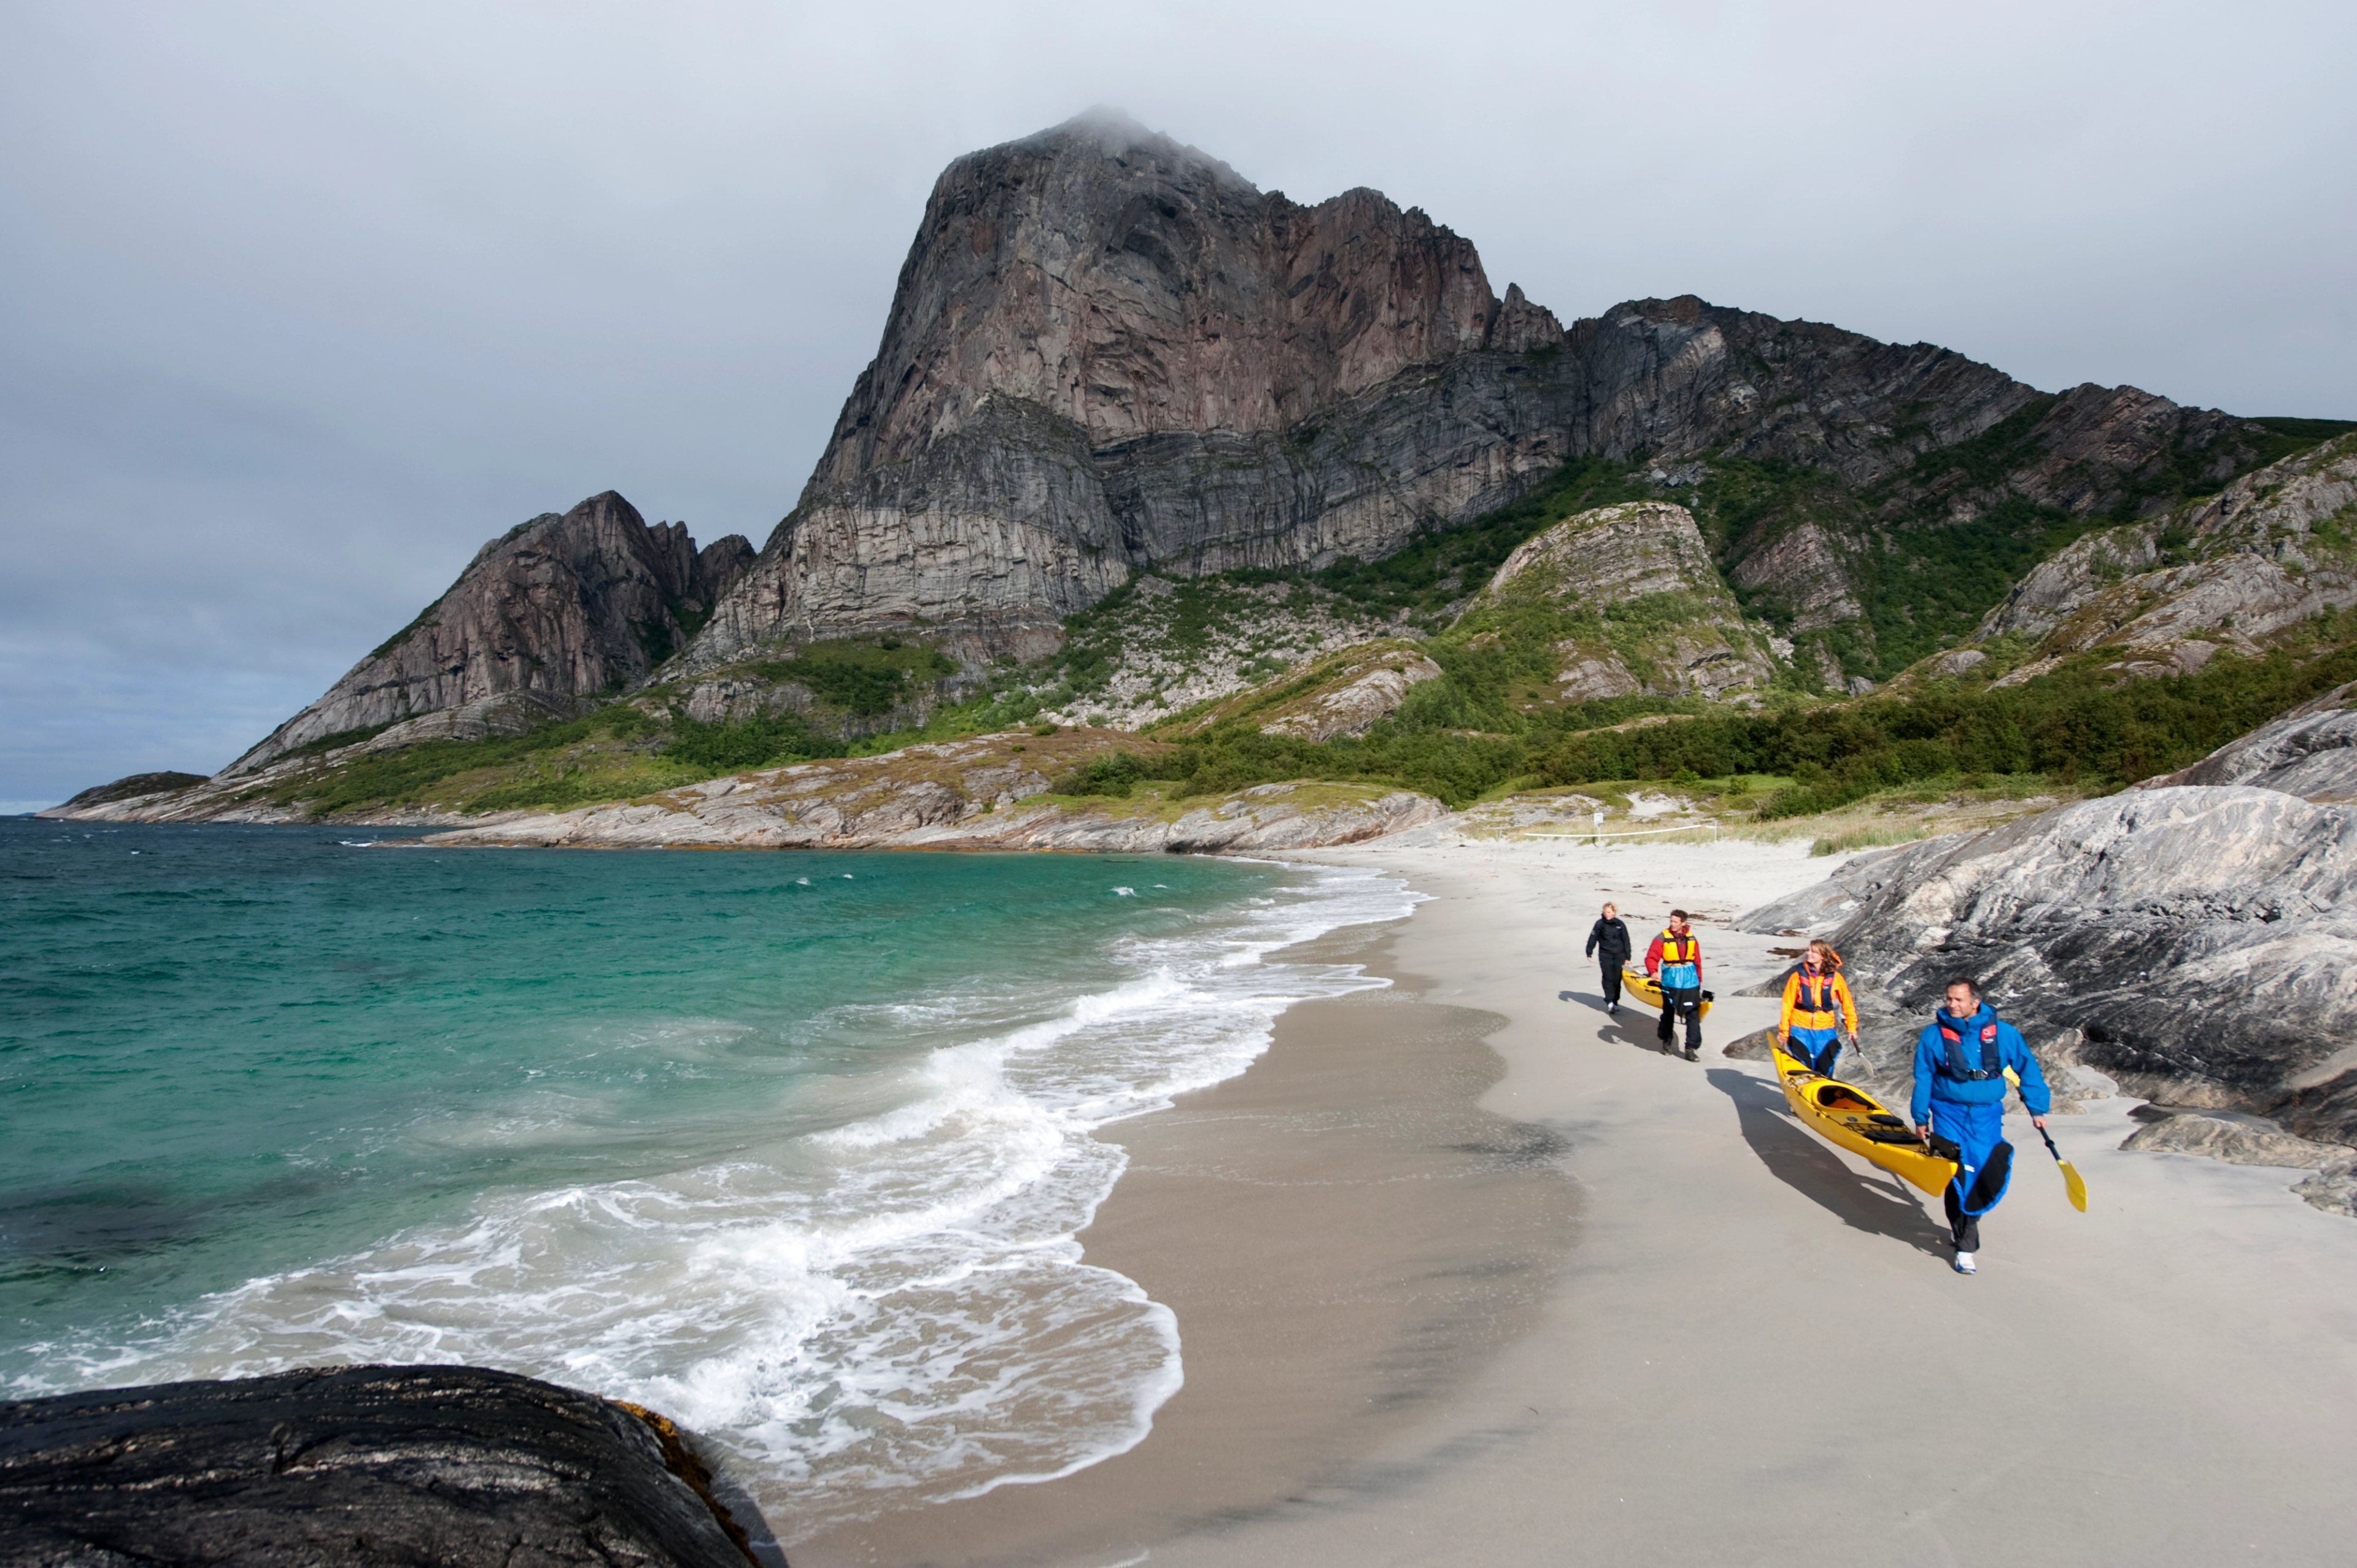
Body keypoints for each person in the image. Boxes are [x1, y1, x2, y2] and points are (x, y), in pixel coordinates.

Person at [1911, 979, 2051, 1275]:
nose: (1951, 1004)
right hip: (1947, 1113)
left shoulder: (2004, 1034)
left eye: (1958, 1000)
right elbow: (1923, 1077)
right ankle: (1965, 1246)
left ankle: (1963, 1228)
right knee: (1956, 1172)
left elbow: (2028, 1067)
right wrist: (1920, 1118)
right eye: (1948, 999)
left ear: (1975, 1002)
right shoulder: (1933, 1035)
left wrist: (2038, 1108)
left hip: (1987, 1116)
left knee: (1982, 1171)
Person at [1778, 939, 1859, 1076]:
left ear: (1823, 956)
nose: (1808, 954)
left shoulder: (1836, 978)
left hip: (1825, 1029)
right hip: (1799, 1028)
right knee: (1804, 1065)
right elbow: (1787, 1005)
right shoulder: (1797, 977)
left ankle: (1823, 1092)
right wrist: (1784, 1031)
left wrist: (1852, 1027)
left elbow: (1848, 1004)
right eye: (1808, 950)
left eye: (1813, 952)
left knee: (1825, 1066)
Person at [1644, 910, 1705, 1060]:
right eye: (1671, 921)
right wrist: (1653, 971)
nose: (1672, 924)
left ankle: (1691, 1048)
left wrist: (1699, 981)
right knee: (1668, 1013)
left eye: (1676, 922)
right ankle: (1667, 1040)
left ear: (1683, 923)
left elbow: (1697, 961)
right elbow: (1651, 956)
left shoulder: (1691, 938)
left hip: (1690, 981)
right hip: (1671, 981)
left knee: (1693, 1015)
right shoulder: (1662, 938)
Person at [1584, 902, 1632, 1013]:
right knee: (1608, 978)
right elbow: (1593, 937)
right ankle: (1609, 1001)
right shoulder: (1600, 924)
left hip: (1620, 955)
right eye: (1605, 912)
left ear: (1614, 912)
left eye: (1609, 912)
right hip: (1606, 955)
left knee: (1617, 979)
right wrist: (1589, 951)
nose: (1607, 915)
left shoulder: (1620, 924)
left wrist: (1628, 957)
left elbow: (1626, 940)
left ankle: (1615, 1001)